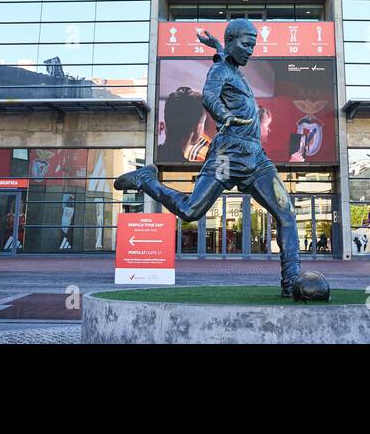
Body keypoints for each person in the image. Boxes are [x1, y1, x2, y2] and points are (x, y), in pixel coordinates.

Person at [114, 19, 303, 296]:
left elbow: (224, 56)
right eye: (247, 44)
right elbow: (209, 98)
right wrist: (223, 115)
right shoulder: (219, 71)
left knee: (286, 213)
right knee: (191, 210)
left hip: (256, 158)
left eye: (254, 45)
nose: (251, 51)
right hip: (227, 155)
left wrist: (215, 44)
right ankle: (146, 180)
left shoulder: (231, 67)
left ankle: (291, 284)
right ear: (233, 42)